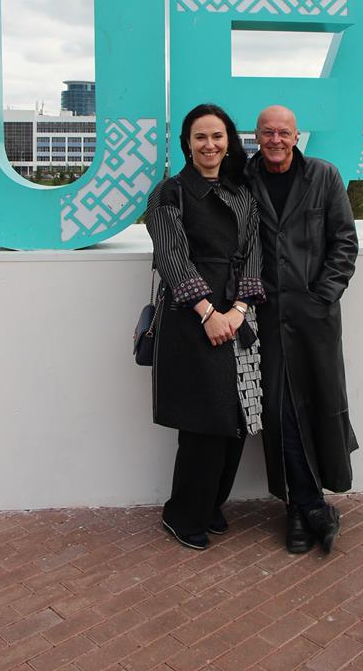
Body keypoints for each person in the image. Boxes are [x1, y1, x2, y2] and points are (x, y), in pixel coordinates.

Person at [146, 103, 265, 550]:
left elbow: (253, 253)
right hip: (191, 317)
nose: (210, 145)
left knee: (237, 417)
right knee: (204, 421)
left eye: (217, 136)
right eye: (200, 137)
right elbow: (171, 256)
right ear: (187, 144)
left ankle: (211, 503)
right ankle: (182, 513)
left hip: (238, 314)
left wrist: (238, 309)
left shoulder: (242, 193)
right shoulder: (170, 193)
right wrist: (208, 313)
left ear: (229, 141)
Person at [245, 105, 359, 554]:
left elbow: (344, 241)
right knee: (279, 411)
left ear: (296, 136)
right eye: (267, 132)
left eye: (283, 132)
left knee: (319, 405)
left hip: (315, 319)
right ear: (256, 136)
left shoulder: (324, 176)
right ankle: (308, 507)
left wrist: (322, 296)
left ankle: (305, 505)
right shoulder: (243, 178)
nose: (275, 139)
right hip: (264, 317)